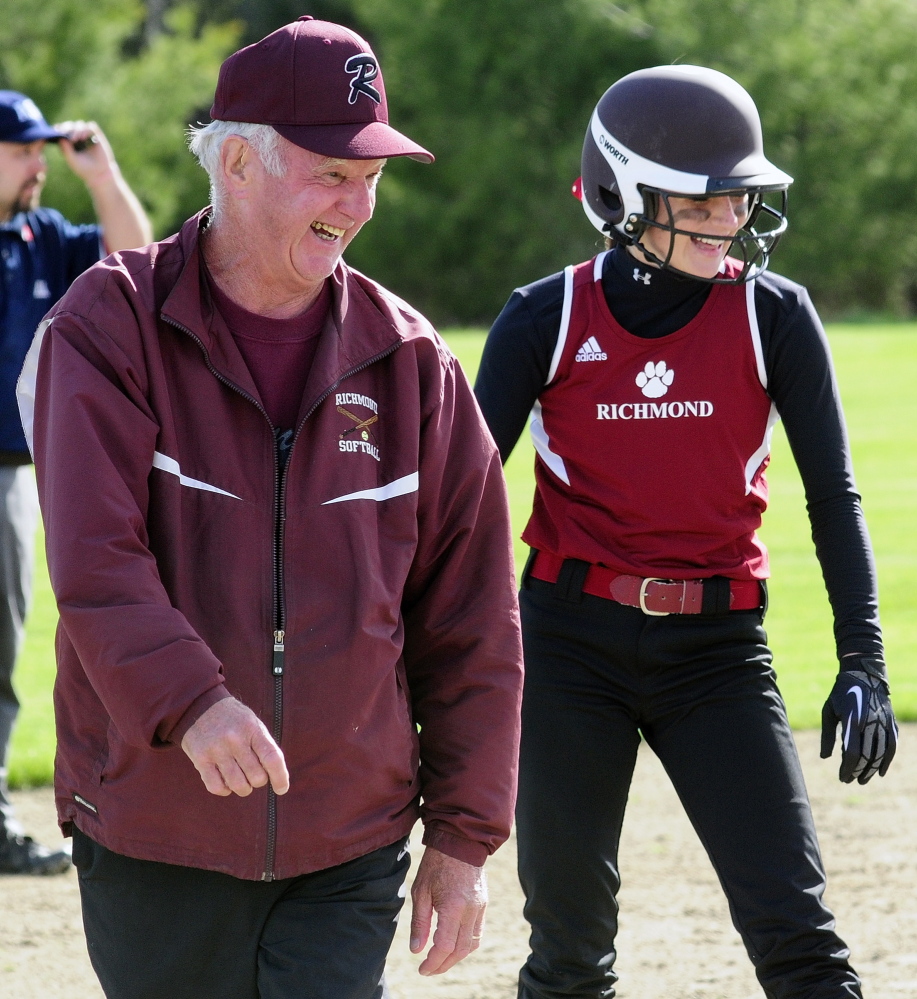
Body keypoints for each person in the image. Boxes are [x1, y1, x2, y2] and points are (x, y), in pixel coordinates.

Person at [18, 16, 522, 999]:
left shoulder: (413, 362)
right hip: (155, 827)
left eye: (372, 176)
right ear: (239, 160)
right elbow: (93, 559)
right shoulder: (106, 325)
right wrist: (193, 703)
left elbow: (470, 617)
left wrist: (463, 841)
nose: (359, 203)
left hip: (348, 842)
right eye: (334, 173)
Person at [474, 64, 898, 999]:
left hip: (717, 649)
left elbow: (833, 495)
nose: (730, 216)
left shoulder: (772, 313)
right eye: (702, 197)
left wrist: (861, 658)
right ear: (625, 192)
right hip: (566, 645)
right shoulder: (542, 318)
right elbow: (454, 513)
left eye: (737, 194)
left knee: (799, 937)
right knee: (569, 951)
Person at [0, 90, 151, 875]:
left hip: (14, 479)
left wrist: (102, 176)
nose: (37, 164)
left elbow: (134, 259)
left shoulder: (42, 235)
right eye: (22, 149)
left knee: (1, 650)